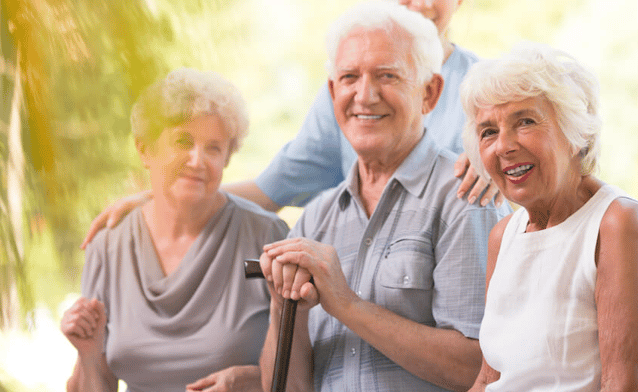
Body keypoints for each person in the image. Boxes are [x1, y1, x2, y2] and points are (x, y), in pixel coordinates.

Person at [80, 0, 500, 249]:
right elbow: (269, 190)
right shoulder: (347, 95)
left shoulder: (492, 90)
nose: (420, 2)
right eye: (352, 79)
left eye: (388, 76)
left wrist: (499, 164)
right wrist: (163, 197)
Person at [256, 2, 510, 391]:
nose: (365, 95)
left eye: (387, 76)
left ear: (430, 93)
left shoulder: (466, 199)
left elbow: (479, 370)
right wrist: (283, 308)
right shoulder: (315, 220)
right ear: (332, 91)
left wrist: (346, 304)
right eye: (349, 77)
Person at [60, 68, 289, 392]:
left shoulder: (265, 236)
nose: (198, 160)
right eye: (183, 141)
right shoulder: (109, 246)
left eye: (214, 148)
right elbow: (97, 383)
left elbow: (302, 372)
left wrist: (251, 380)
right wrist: (87, 354)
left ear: (226, 158)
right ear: (144, 149)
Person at [460, 42, 638, 391]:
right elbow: (488, 378)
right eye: (488, 131)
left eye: (524, 122)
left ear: (576, 134)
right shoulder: (503, 235)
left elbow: (625, 383)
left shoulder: (617, 222)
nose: (503, 146)